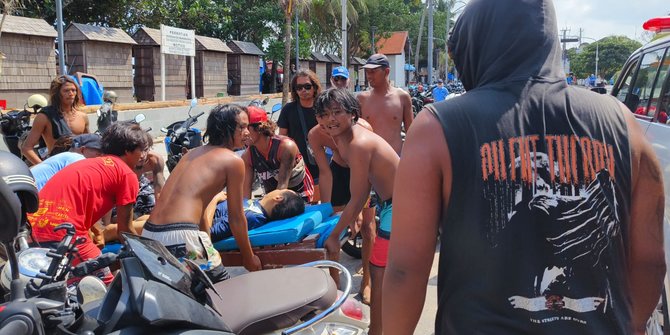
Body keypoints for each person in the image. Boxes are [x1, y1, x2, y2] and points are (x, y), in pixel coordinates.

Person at [383, 0, 666, 334]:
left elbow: (405, 270)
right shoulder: (624, 125)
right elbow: (650, 262)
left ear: (475, 44)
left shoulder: (436, 128)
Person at [142, 104, 262, 283]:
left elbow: (201, 211)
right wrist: (248, 257)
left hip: (149, 234)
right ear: (225, 128)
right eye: (242, 127)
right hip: (181, 237)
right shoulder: (233, 161)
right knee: (225, 294)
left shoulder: (192, 153)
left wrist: (207, 244)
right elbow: (236, 217)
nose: (247, 133)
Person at [314, 88, 399, 335]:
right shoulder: (346, 139)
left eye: (337, 112)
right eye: (325, 114)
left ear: (352, 114)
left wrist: (334, 235)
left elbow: (359, 195)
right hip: (388, 203)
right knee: (384, 269)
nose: (331, 119)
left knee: (379, 270)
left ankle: (378, 330)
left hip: (401, 204)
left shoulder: (358, 143)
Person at [28, 122, 152, 284]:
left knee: (62, 286)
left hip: (32, 228)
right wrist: (147, 258)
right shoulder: (126, 174)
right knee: (105, 288)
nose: (144, 155)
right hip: (63, 234)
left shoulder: (89, 163)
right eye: (141, 150)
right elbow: (125, 231)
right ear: (127, 150)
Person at [308, 117, 377, 304]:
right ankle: (335, 285)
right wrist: (327, 207)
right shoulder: (315, 134)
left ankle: (367, 281)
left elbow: (366, 167)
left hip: (364, 172)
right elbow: (324, 172)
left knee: (368, 229)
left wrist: (358, 210)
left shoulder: (362, 128)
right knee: (334, 230)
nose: (329, 124)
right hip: (338, 171)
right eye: (322, 120)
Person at [242, 106, 314, 201]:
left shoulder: (285, 146)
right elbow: (246, 191)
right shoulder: (247, 156)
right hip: (273, 197)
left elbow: (282, 186)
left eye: (245, 127)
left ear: (259, 127)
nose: (243, 133)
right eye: (240, 128)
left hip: (300, 195)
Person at [22, 75, 90, 165]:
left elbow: (89, 145)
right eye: (66, 90)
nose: (71, 93)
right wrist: (46, 167)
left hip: (78, 166)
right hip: (56, 165)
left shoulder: (83, 117)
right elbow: (26, 148)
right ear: (57, 94)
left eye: (73, 90)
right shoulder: (44, 116)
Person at [278, 69, 323, 201]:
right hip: (298, 166)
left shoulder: (323, 107)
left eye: (307, 86)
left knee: (321, 204)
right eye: (299, 87)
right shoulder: (288, 109)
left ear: (315, 87)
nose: (303, 90)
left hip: (321, 163)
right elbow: (282, 138)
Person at [357, 54, 413, 155]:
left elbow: (411, 133)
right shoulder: (362, 99)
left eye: (373, 72)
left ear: (386, 71)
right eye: (367, 72)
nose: (369, 76)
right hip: (370, 161)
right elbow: (355, 132)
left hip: (396, 159)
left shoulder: (402, 97)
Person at [204, 189, 305, 242]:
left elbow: (206, 234)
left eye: (280, 189)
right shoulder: (255, 206)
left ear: (278, 198)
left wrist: (214, 199)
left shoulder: (252, 217)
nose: (277, 189)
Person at [30, 133, 104, 190]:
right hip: (31, 197)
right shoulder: (76, 158)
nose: (101, 158)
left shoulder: (63, 158)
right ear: (82, 150)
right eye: (98, 154)